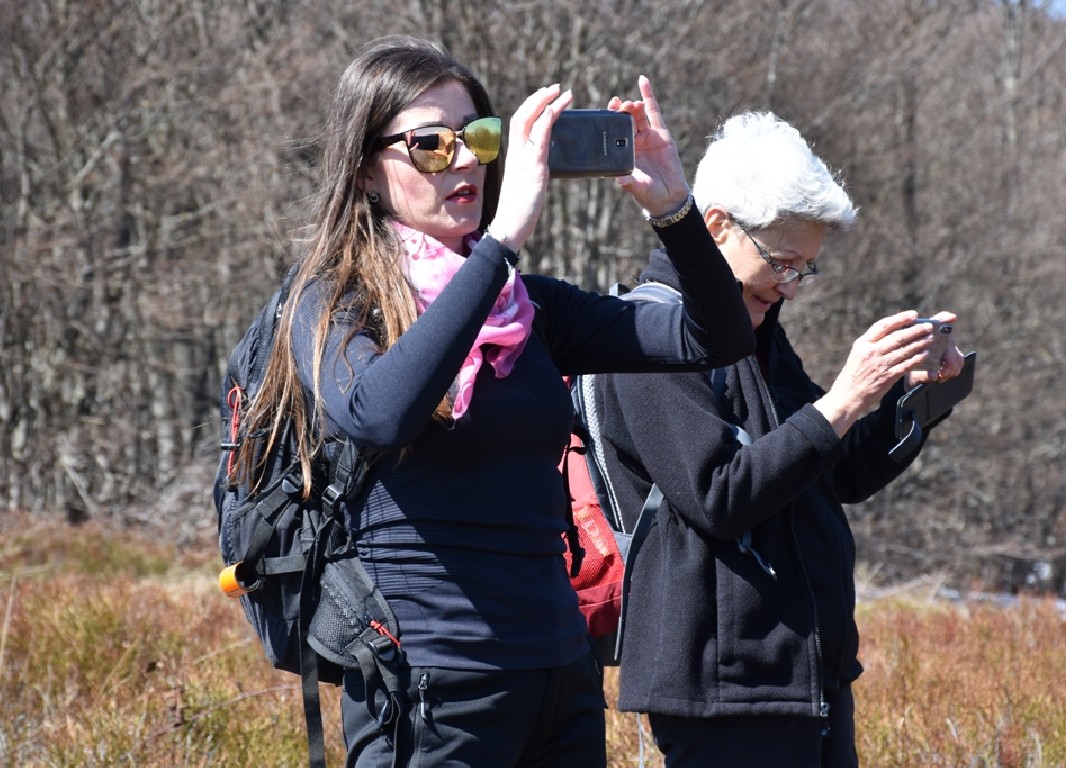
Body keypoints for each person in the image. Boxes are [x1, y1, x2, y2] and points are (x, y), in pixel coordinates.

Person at [233, 35, 755, 767]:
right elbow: (381, 413)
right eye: (430, 144)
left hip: (558, 675)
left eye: (477, 137)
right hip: (429, 682)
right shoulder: (332, 303)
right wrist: (501, 241)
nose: (465, 161)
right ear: (366, 171)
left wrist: (673, 207)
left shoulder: (525, 308)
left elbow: (716, 336)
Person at [589, 111, 966, 767]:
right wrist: (843, 398)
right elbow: (718, 496)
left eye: (805, 268)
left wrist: (913, 396)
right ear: (716, 226)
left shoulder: (759, 332)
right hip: (725, 691)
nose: (790, 285)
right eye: (781, 262)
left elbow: (836, 471)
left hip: (807, 675)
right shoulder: (645, 334)